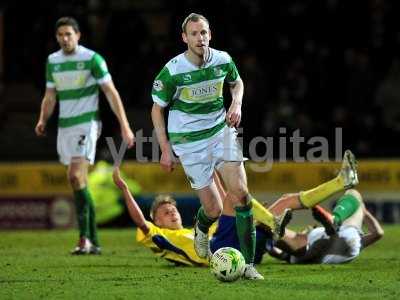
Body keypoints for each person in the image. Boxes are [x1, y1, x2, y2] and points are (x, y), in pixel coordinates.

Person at [151, 12, 280, 279]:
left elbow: (237, 83)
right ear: (184, 38)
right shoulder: (173, 71)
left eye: (204, 33)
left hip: (221, 133)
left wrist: (236, 103)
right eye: (195, 33)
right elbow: (156, 110)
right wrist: (165, 148)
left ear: (210, 35)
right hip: (188, 142)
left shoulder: (223, 60)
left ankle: (248, 265)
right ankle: (201, 227)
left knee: (242, 195)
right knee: (215, 209)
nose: (200, 38)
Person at [111, 149, 358, 268]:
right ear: (157, 221)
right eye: (165, 212)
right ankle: (285, 234)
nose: (172, 212)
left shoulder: (195, 231)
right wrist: (124, 189)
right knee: (236, 197)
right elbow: (140, 221)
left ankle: (341, 181)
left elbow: (221, 197)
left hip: (230, 244)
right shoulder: (159, 237)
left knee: (281, 200)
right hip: (218, 253)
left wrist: (214, 169)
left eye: (172, 209)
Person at [35, 17, 135, 255]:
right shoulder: (53, 61)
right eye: (60, 35)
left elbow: (111, 92)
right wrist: (42, 119)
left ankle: (85, 238)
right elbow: (50, 96)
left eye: (68, 34)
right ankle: (92, 240)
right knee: (77, 181)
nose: (64, 39)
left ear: (78, 35)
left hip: (87, 124)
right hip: (65, 126)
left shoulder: (92, 59)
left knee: (74, 174)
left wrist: (125, 125)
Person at [268, 189, 384, 264]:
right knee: (354, 194)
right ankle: (336, 219)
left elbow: (275, 252)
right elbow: (378, 233)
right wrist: (364, 211)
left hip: (310, 252)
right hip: (345, 244)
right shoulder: (358, 241)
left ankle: (271, 230)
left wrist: (270, 243)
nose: (309, 227)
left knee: (274, 231)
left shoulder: (300, 243)